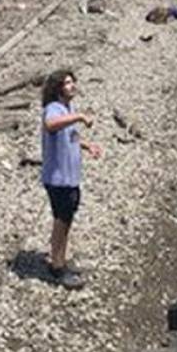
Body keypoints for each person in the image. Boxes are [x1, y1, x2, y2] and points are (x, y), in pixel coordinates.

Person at [39, 70, 103, 289]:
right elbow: (51, 125)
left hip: (70, 177)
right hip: (57, 179)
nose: (72, 85)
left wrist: (87, 146)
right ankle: (57, 266)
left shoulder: (68, 108)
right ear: (58, 88)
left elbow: (71, 135)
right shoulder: (53, 109)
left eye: (73, 81)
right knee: (61, 220)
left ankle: (61, 260)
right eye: (67, 83)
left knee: (67, 220)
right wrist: (79, 117)